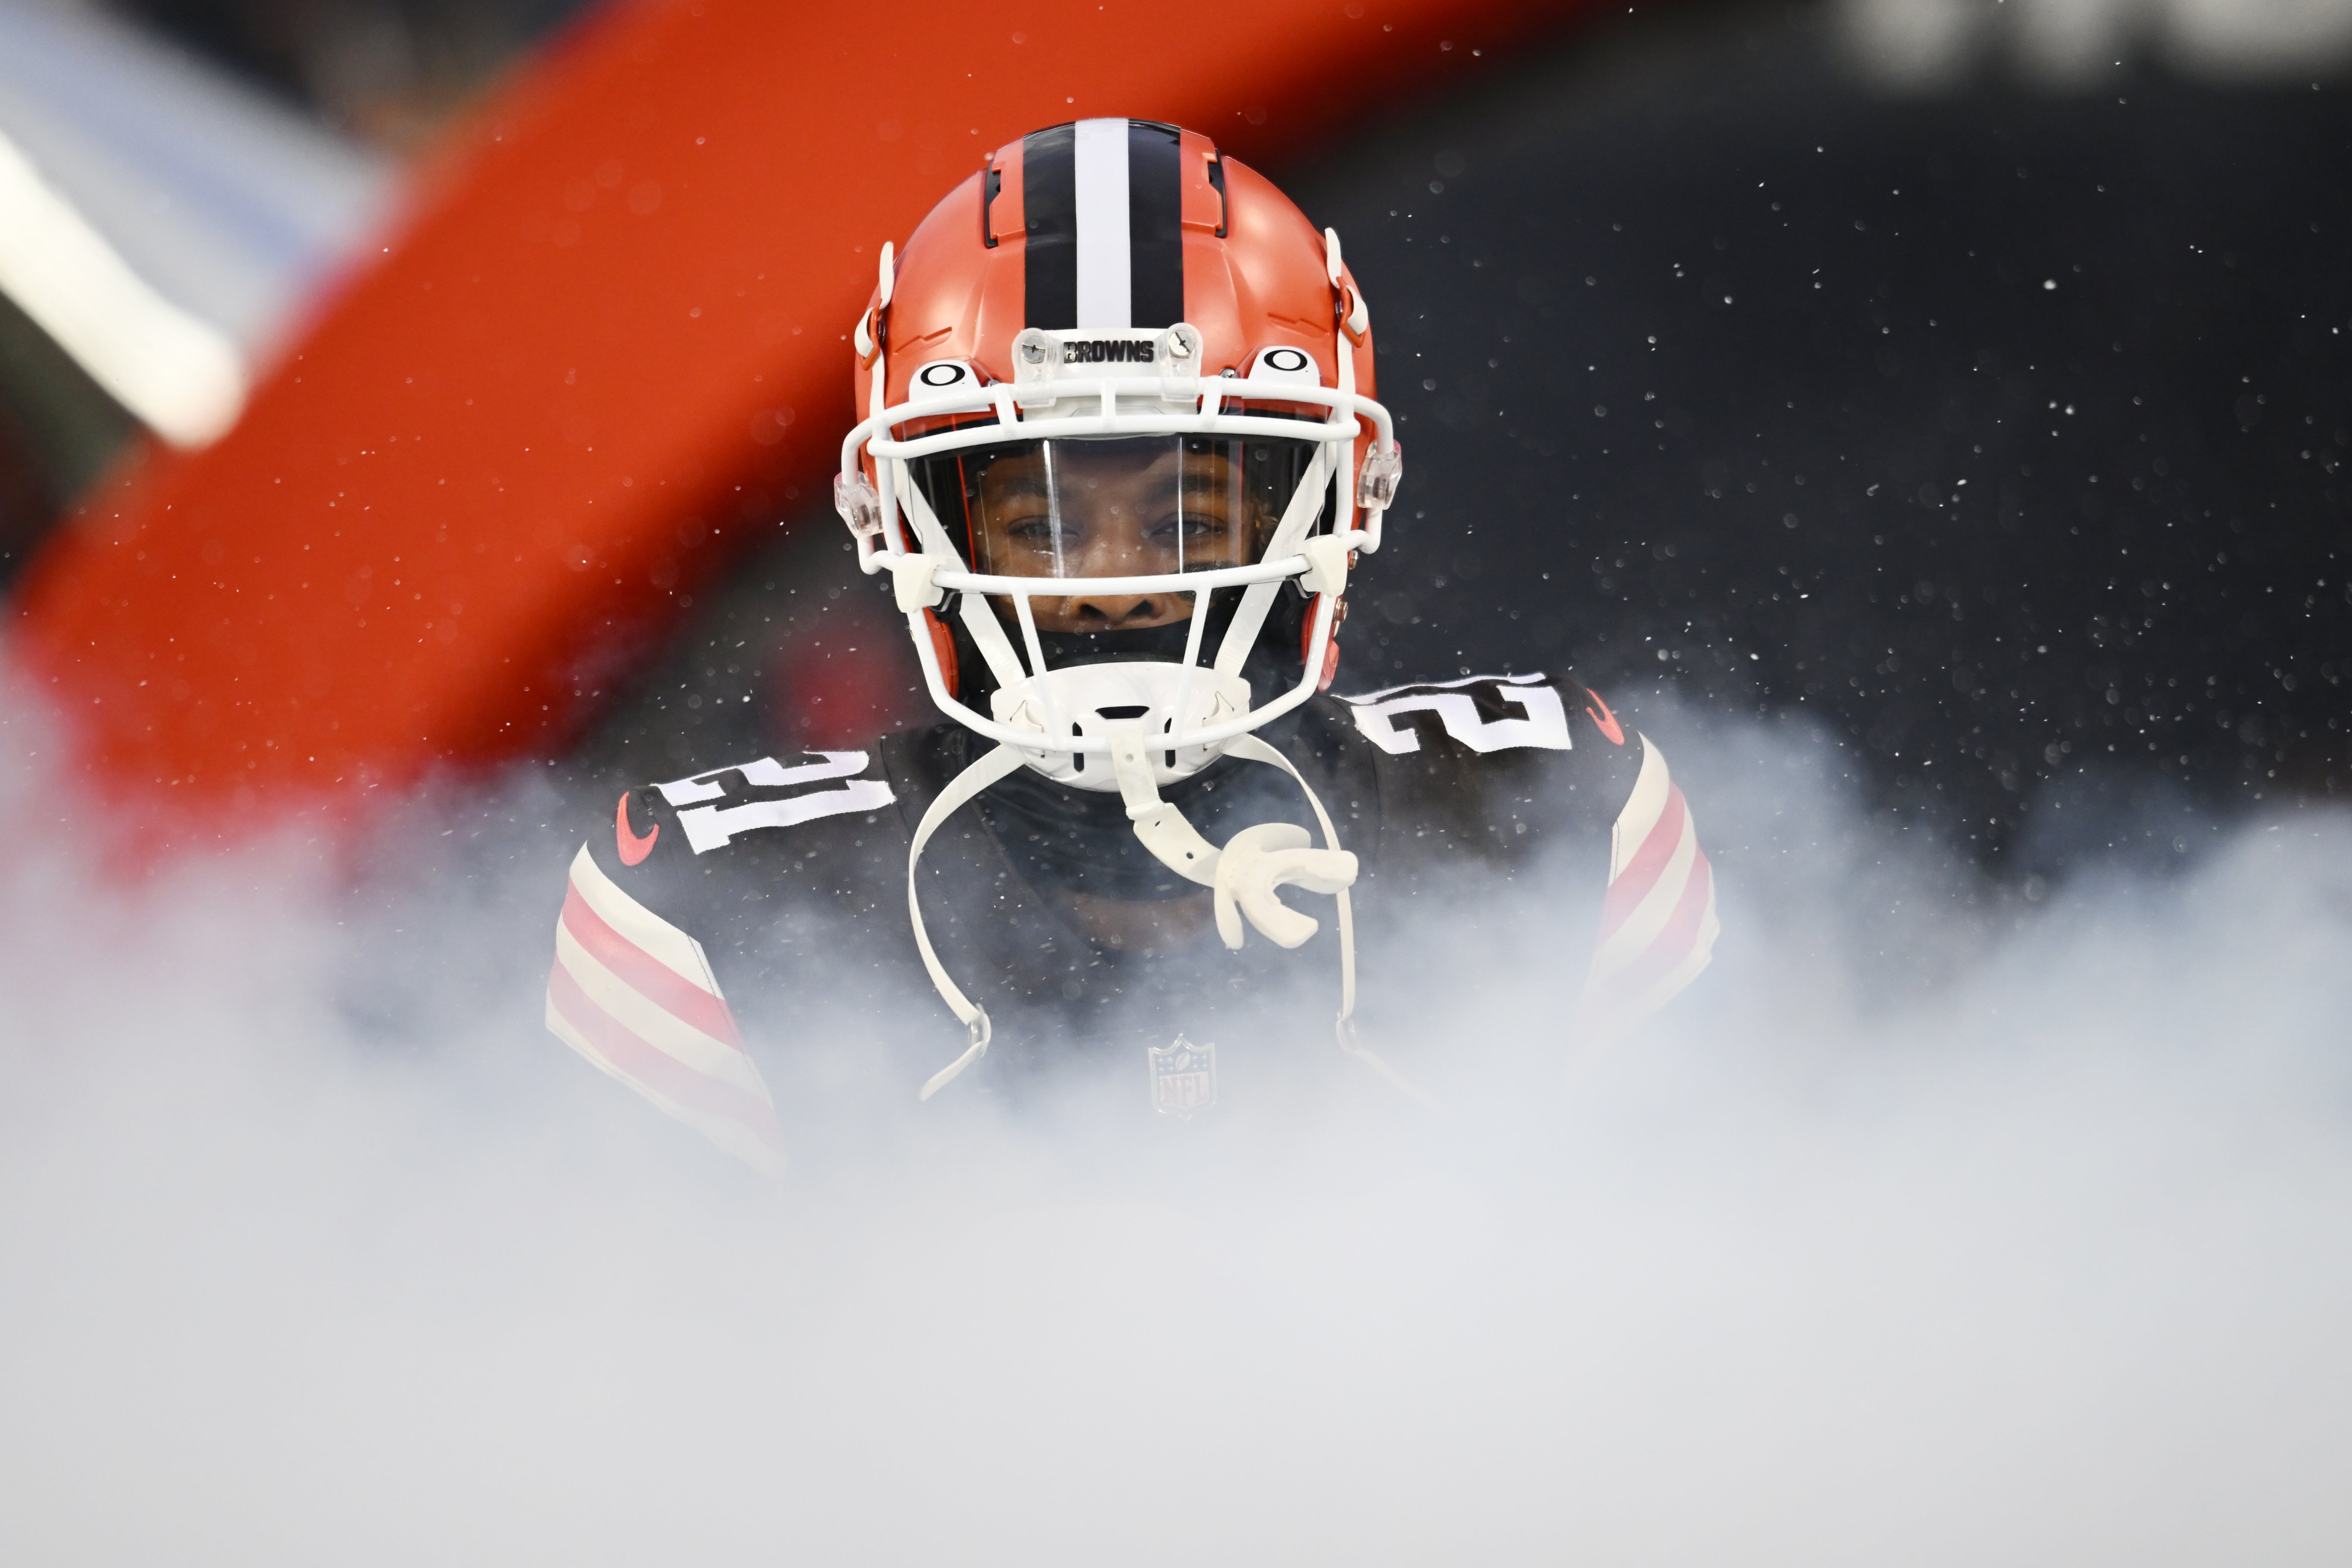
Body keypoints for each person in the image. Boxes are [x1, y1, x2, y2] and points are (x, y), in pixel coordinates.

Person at [543, 119, 1717, 1173]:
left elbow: (1696, 1321)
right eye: (1040, 519)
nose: (1111, 584)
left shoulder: (1551, 805)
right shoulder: (710, 903)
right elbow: (671, 1377)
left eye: (1189, 517)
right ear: (908, 520)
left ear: (1330, 507)